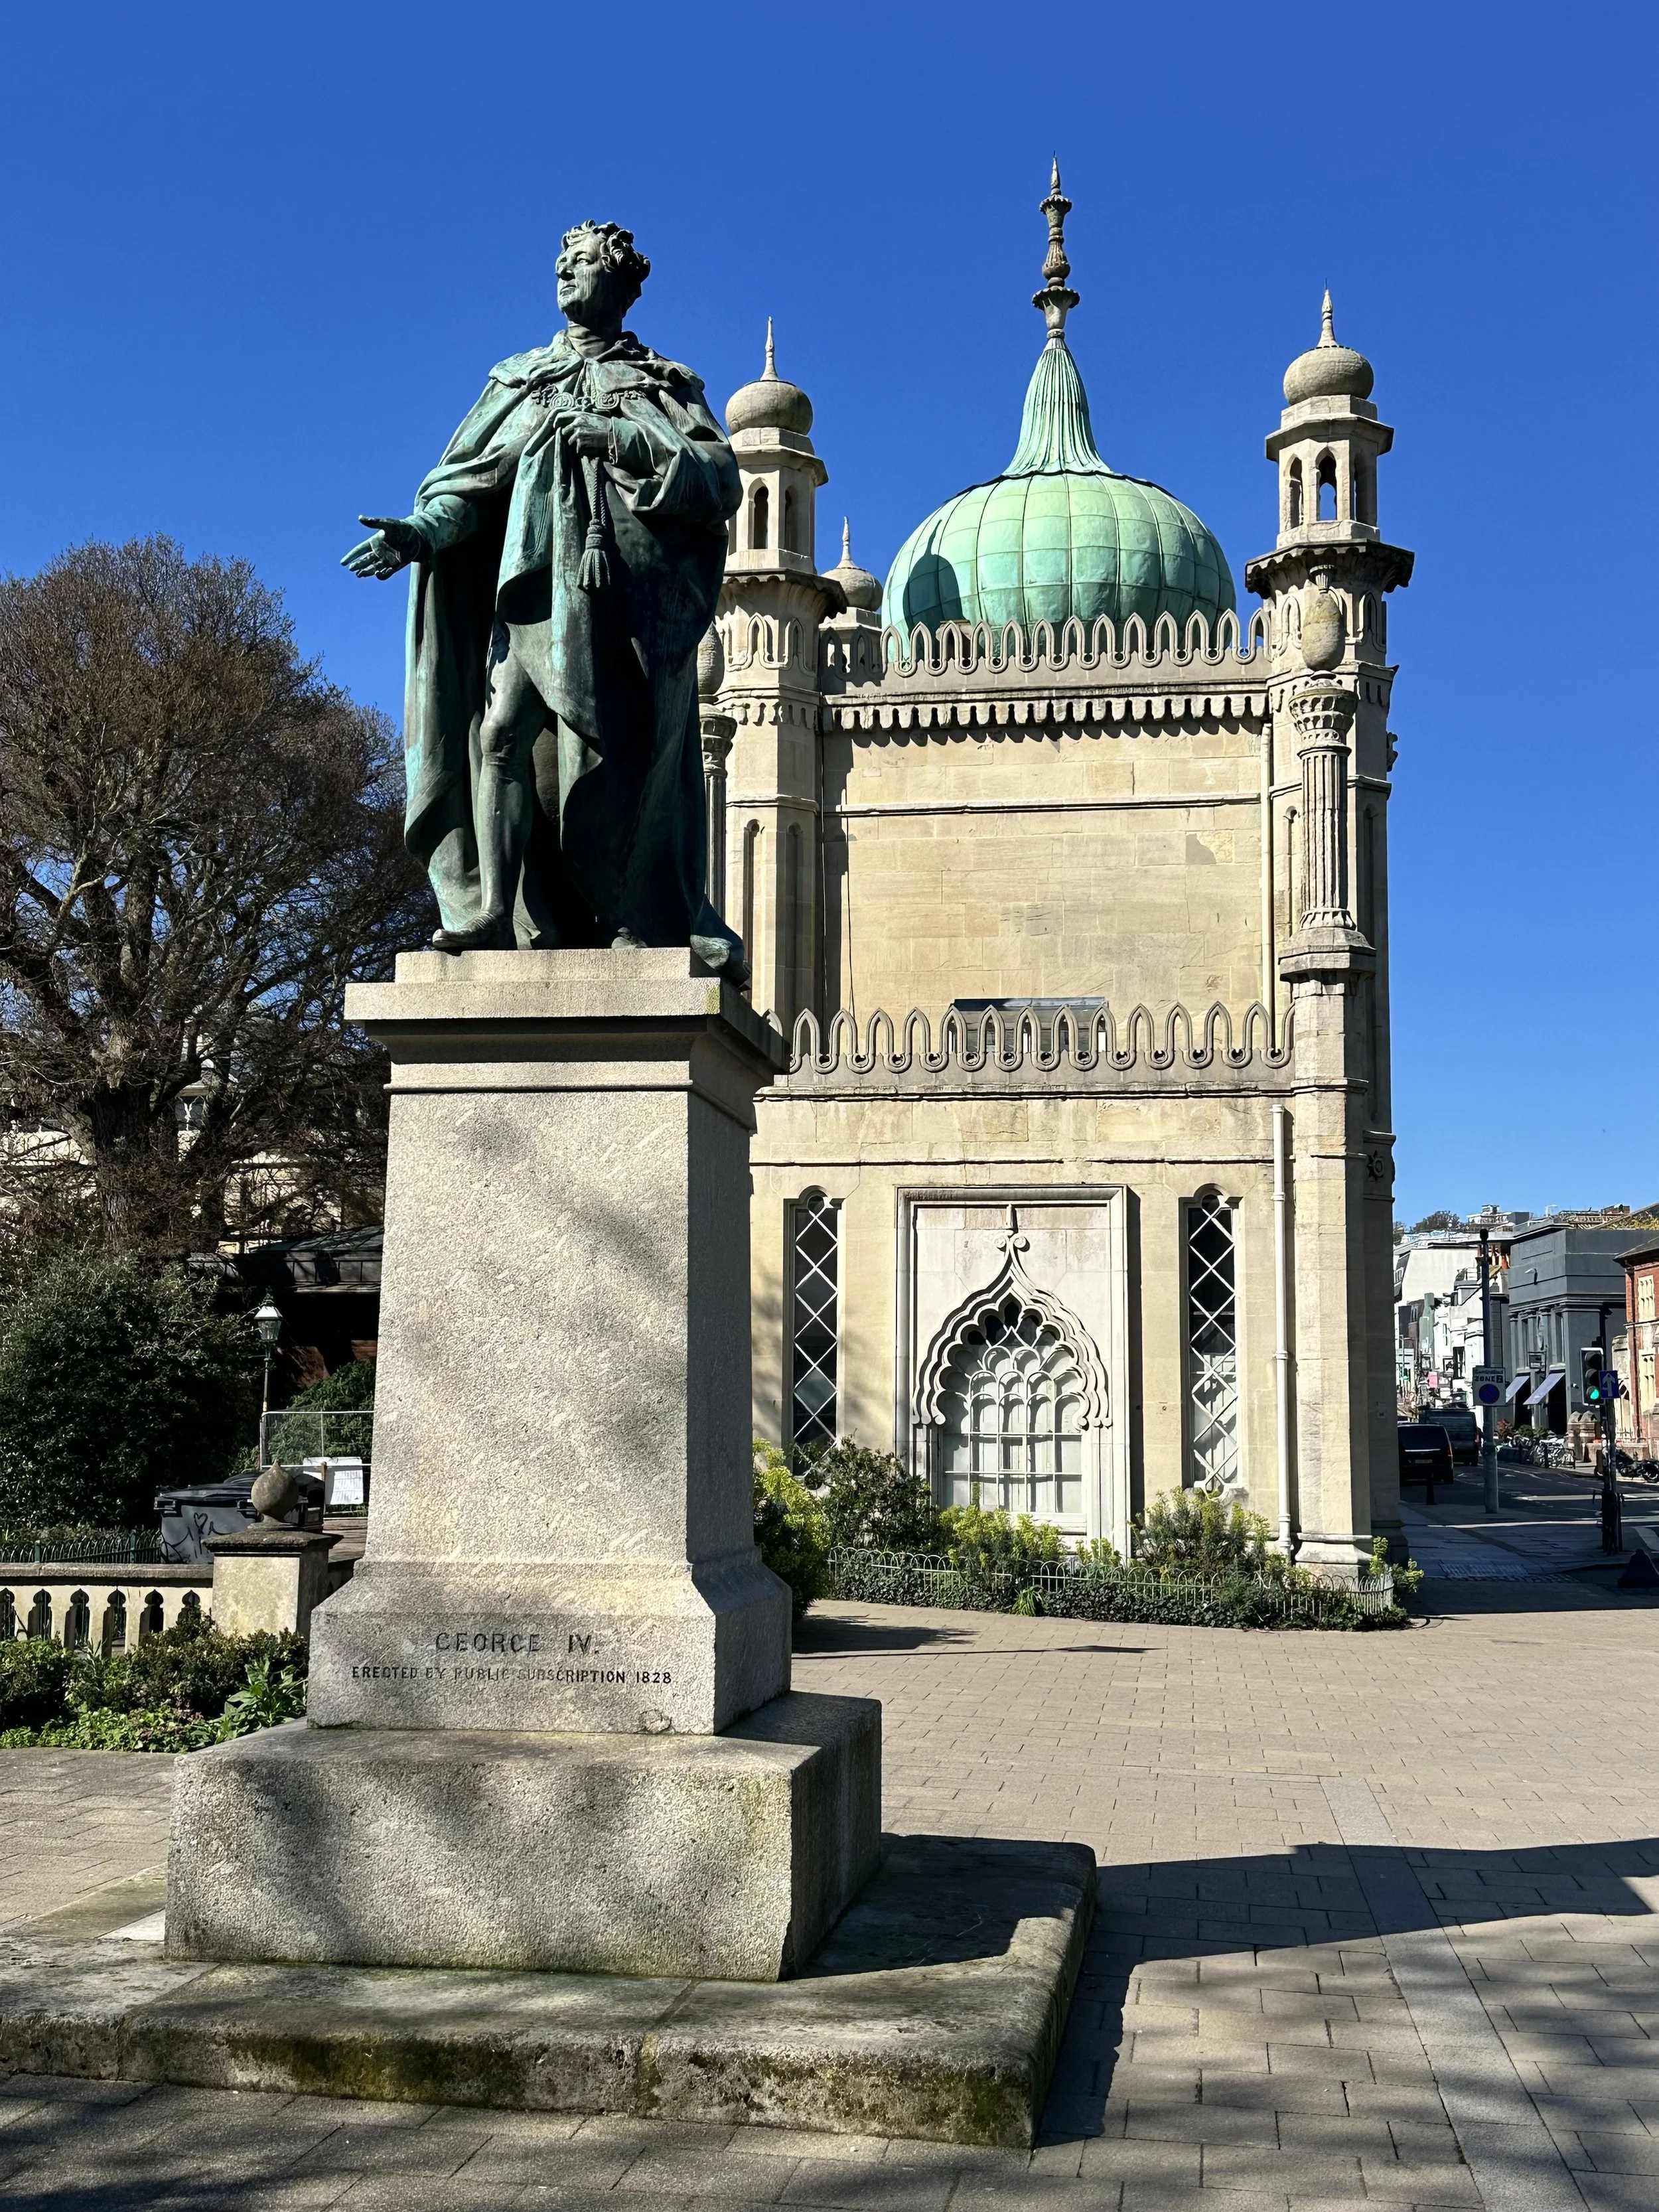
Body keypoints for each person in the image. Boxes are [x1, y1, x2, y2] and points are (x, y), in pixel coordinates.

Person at [343, 220, 743, 968]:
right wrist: (420, 535)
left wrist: (621, 439)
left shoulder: (664, 384)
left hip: (623, 615)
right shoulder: (519, 379)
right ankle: (493, 910)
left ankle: (629, 913)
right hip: (529, 595)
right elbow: (471, 482)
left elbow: (719, 480)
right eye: (561, 262)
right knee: (499, 736)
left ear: (621, 284)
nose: (565, 273)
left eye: (584, 262)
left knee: (619, 762)